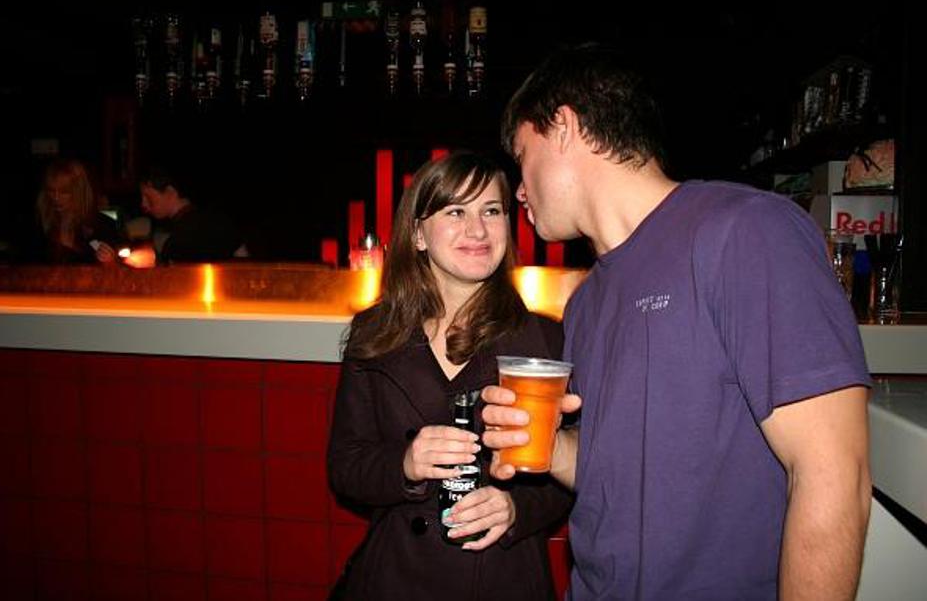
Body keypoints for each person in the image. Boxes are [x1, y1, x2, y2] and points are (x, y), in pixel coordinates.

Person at [481, 44, 872, 600]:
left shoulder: (747, 231)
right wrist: (543, 444)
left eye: (522, 156)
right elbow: (613, 468)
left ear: (563, 127)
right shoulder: (586, 301)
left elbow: (833, 473)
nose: (519, 189)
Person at [328, 152, 573, 600]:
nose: (477, 230)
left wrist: (515, 508)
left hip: (503, 577)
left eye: (491, 211)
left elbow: (579, 473)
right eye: (456, 212)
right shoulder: (374, 333)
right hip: (396, 577)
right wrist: (405, 463)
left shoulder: (545, 340)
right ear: (418, 234)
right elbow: (346, 468)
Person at [138, 169, 245, 263]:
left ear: (170, 192)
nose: (143, 204)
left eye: (148, 197)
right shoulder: (219, 220)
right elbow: (243, 256)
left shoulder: (177, 241)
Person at [26, 158, 119, 264]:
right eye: (51, 190)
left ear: (79, 192)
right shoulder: (37, 223)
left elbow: (118, 267)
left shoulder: (102, 226)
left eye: (64, 191)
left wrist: (110, 262)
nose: (56, 198)